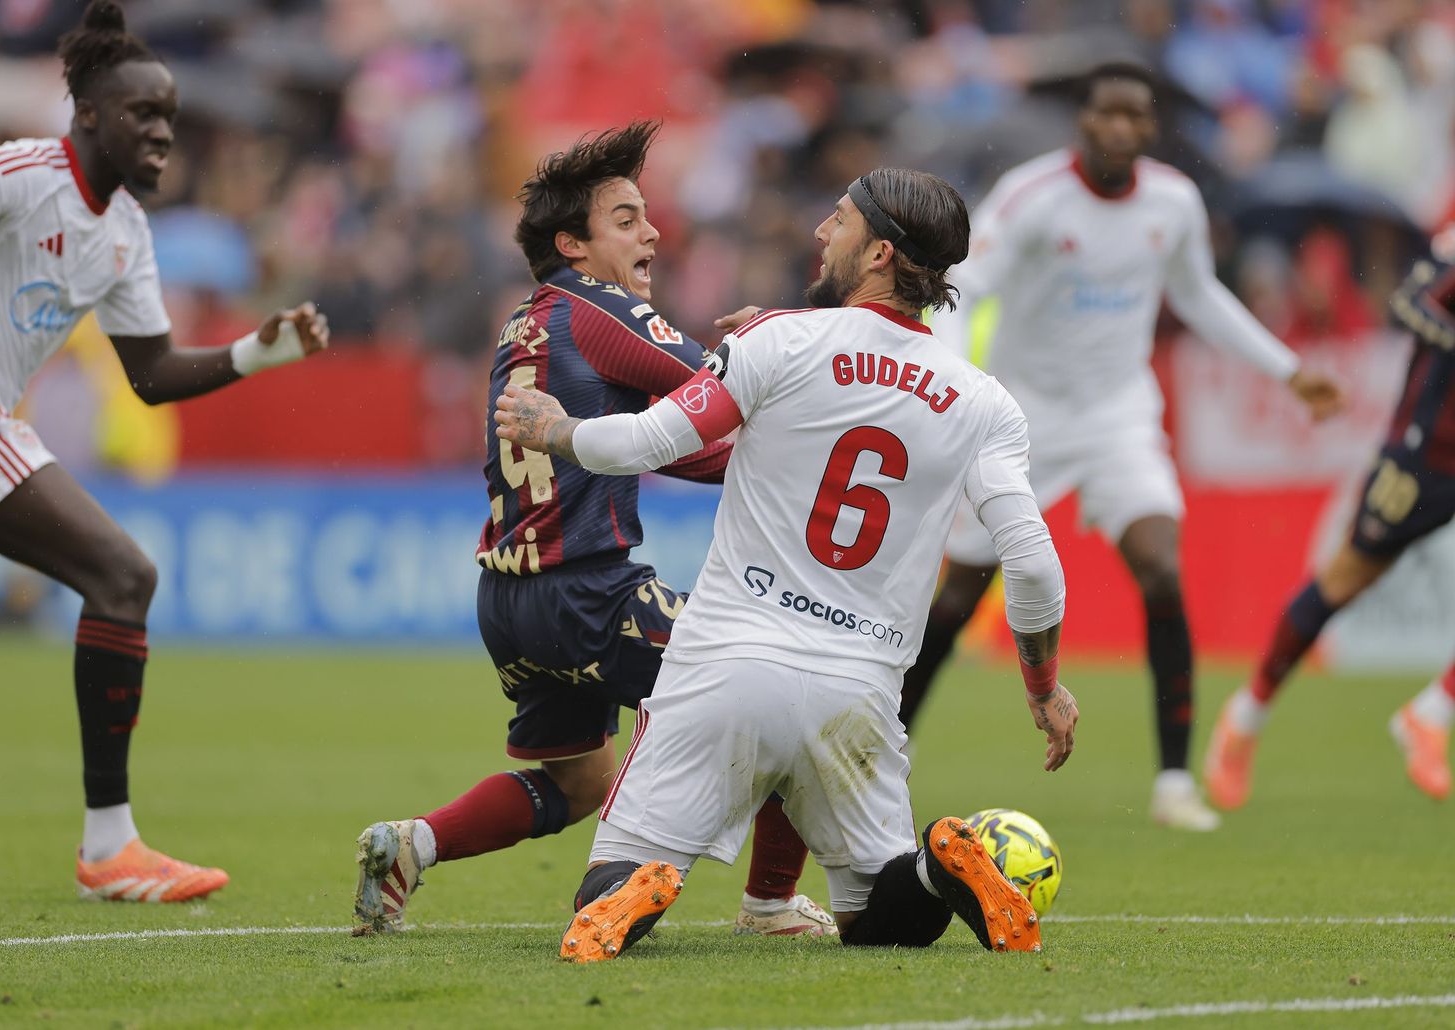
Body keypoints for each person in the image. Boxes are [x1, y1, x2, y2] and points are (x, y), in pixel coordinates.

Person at [495, 167, 1078, 962]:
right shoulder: (983, 403)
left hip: (726, 662)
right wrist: (1043, 687)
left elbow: (645, 442)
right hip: (858, 693)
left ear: (876, 252)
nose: (818, 234)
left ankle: (638, 884)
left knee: (610, 885)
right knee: (880, 922)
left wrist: (556, 429)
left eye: (836, 221)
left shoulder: (776, 339)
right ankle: (941, 869)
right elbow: (1036, 566)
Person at [0, 0, 329, 902]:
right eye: (142, 115)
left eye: (170, 119)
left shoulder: (125, 232)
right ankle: (110, 848)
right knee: (124, 576)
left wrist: (257, 352)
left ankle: (111, 850)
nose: (161, 133)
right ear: (87, 116)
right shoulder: (21, 173)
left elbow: (150, 373)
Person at [351, 122, 832, 939]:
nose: (652, 233)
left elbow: (655, 446)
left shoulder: (525, 325)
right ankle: (771, 904)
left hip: (508, 605)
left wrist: (739, 468)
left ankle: (412, 845)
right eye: (627, 219)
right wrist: (788, 330)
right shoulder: (602, 309)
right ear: (573, 245)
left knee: (576, 786)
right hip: (588, 590)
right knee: (788, 695)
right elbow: (728, 386)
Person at [900, 61, 1345, 832]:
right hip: (1021, 419)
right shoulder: (1034, 198)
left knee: (1163, 571)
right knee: (959, 598)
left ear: (1147, 127)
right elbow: (966, 285)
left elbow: (1199, 292)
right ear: (1085, 121)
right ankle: (886, 749)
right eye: (1105, 114)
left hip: (1118, 419)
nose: (1119, 129)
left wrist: (1286, 369)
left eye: (1133, 117)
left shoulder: (1173, 201)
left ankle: (1174, 782)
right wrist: (937, 373)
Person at [1205, 222, 1455, 807]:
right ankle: (1245, 717)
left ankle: (1432, 713)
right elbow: (1411, 304)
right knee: (1345, 580)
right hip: (1428, 451)